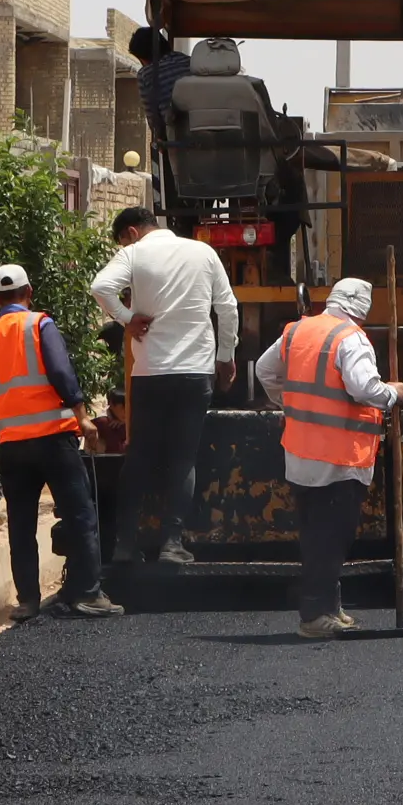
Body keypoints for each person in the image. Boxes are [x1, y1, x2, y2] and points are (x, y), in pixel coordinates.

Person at [251, 276, 403, 638]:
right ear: (362, 309)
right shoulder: (350, 338)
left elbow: (264, 370)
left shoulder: (298, 331)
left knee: (314, 534)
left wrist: (288, 404)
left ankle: (330, 608)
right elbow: (364, 388)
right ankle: (315, 616)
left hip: (302, 454)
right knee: (330, 539)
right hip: (338, 458)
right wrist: (394, 393)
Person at [91, 204, 238, 566]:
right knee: (183, 458)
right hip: (195, 370)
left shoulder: (134, 252)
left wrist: (126, 318)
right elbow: (228, 307)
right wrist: (225, 356)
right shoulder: (203, 252)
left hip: (151, 372)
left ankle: (126, 544)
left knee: (139, 456)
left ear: (130, 233)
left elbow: (101, 287)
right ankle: (172, 542)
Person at [0, 264, 119, 619]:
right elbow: (60, 371)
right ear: (29, 292)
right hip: (54, 438)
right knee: (80, 514)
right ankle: (87, 594)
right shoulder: (39, 325)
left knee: (20, 523)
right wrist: (82, 415)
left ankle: (27, 600)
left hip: (12, 444)